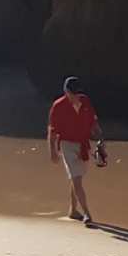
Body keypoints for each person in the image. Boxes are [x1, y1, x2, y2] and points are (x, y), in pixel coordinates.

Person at [47, 76, 102, 227]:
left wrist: (100, 139)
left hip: (83, 144)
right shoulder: (58, 106)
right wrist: (53, 151)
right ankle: (87, 214)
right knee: (76, 178)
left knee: (77, 177)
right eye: (73, 93)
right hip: (67, 144)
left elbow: (93, 121)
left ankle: (72, 210)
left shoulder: (85, 101)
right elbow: (52, 131)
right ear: (66, 92)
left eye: (77, 93)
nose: (76, 96)